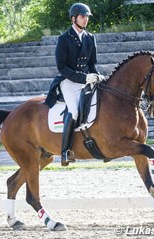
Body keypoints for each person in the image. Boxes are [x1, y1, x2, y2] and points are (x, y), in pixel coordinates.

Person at [45, 3, 105, 166]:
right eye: (82, 16)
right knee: (74, 110)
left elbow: (92, 64)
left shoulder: (90, 38)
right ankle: (65, 151)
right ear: (74, 18)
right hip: (68, 81)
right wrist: (84, 78)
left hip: (87, 80)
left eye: (86, 17)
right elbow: (61, 67)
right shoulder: (64, 39)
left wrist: (97, 76)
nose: (85, 19)